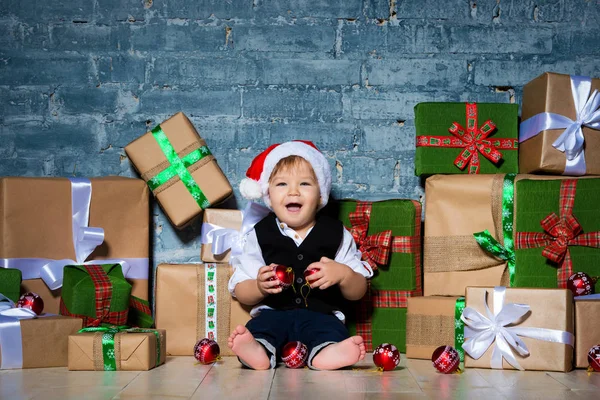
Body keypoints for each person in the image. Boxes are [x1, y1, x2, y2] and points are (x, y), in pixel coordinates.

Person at [227, 140, 373, 370]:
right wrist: (258, 286)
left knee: (330, 329)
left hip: (320, 314)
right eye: (282, 184)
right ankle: (257, 351)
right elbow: (240, 291)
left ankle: (327, 353)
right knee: (262, 327)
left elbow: (358, 292)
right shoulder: (259, 235)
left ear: (321, 195)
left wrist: (344, 275)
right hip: (274, 313)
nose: (293, 191)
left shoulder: (337, 233)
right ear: (268, 194)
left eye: (304, 184)